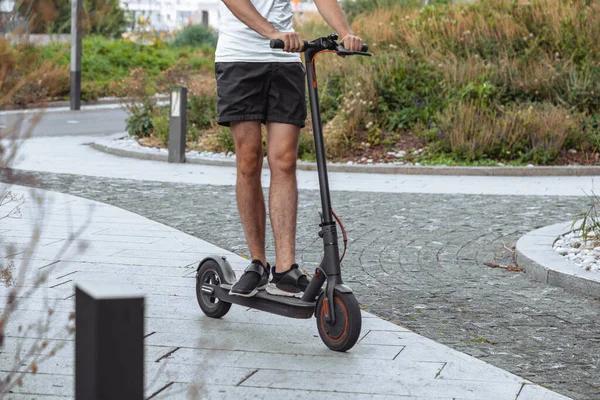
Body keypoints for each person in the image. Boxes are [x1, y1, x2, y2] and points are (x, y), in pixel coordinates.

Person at [216, 0, 363, 298]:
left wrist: (345, 31)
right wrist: (273, 32)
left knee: (284, 161)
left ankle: (285, 268)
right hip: (239, 58)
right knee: (249, 160)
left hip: (285, 60)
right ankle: (257, 262)